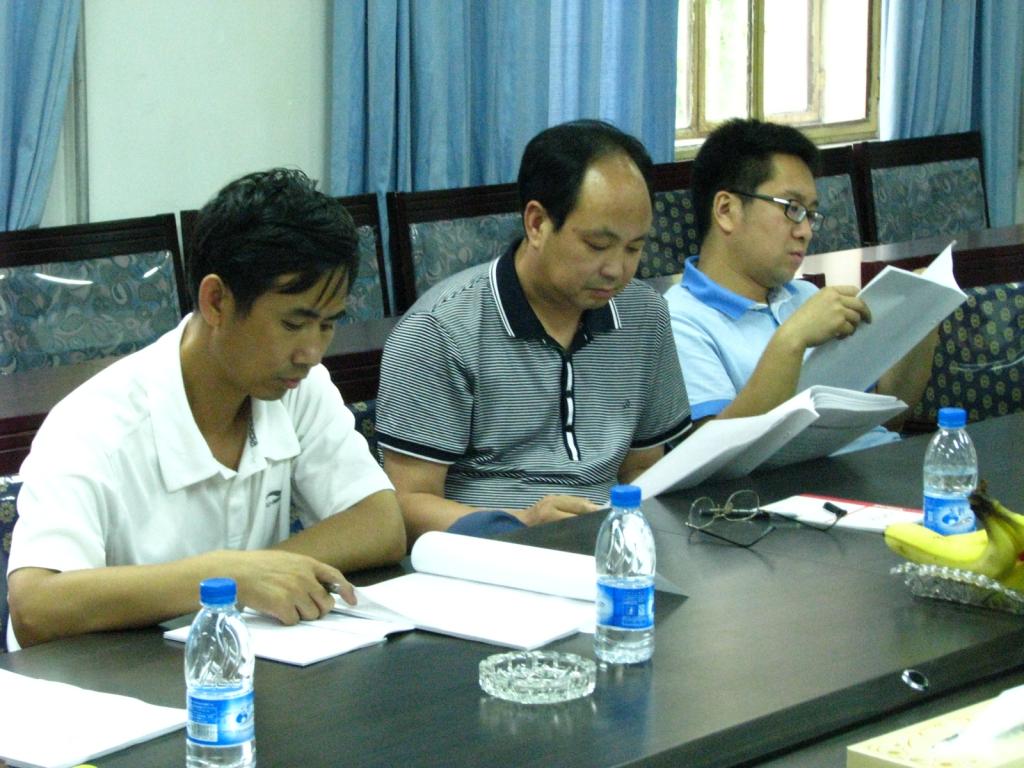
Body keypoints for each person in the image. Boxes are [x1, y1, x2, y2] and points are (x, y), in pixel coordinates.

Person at [7, 169, 406, 649]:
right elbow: (34, 606)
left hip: (234, 664)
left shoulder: (297, 388)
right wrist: (226, 578)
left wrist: (262, 573)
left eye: (327, 326)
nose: (311, 352)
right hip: (106, 679)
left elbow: (380, 522)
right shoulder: (93, 425)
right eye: (293, 324)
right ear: (216, 301)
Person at [375, 120, 691, 544]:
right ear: (537, 223)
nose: (617, 269)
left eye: (634, 247)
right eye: (598, 246)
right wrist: (520, 523)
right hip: (489, 554)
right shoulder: (440, 331)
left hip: (609, 545)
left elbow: (642, 468)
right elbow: (406, 504)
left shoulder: (644, 314)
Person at [664, 118, 935, 444]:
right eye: (792, 209)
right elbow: (713, 453)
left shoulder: (804, 295)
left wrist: (921, 316)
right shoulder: (678, 321)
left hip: (881, 461)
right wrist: (792, 340)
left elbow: (888, 420)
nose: (806, 231)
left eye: (810, 214)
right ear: (726, 210)